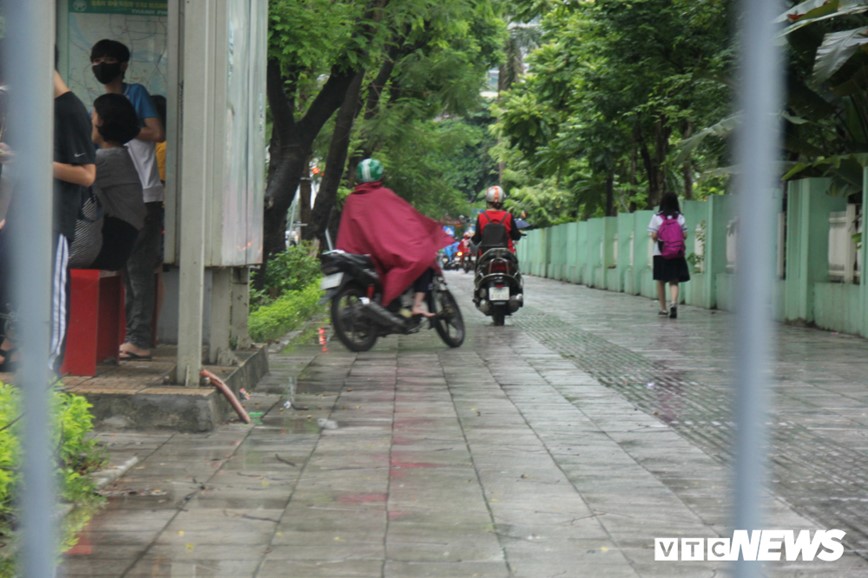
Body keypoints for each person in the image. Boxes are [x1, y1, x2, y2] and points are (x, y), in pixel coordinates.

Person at [90, 39, 165, 360]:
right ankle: (132, 335)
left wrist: (123, 127)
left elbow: (156, 132)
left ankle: (139, 339)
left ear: (123, 64)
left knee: (138, 270)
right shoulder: (99, 103)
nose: (101, 65)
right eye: (96, 60)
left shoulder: (136, 94)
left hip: (145, 190)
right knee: (128, 271)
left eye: (108, 59)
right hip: (123, 189)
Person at [335, 158, 452, 318]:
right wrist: (429, 227)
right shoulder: (384, 195)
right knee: (424, 259)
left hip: (360, 255)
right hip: (386, 254)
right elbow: (408, 219)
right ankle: (417, 305)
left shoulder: (351, 200)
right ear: (381, 177)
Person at [69, 93, 145, 271]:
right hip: (121, 242)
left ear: (100, 121)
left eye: (92, 115)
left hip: (110, 243)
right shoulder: (119, 155)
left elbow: (68, 175)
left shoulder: (106, 159)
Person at [648, 192, 690, 319]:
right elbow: (685, 235)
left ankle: (663, 309)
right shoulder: (680, 217)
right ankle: (673, 303)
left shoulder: (656, 217)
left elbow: (653, 235)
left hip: (660, 253)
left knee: (660, 281)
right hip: (676, 253)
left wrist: (662, 239)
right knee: (674, 280)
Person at [471, 185, 522, 255]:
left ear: (488, 201)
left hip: (486, 255)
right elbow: (516, 236)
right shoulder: (508, 216)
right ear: (502, 201)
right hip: (506, 254)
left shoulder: (481, 217)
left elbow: (477, 239)